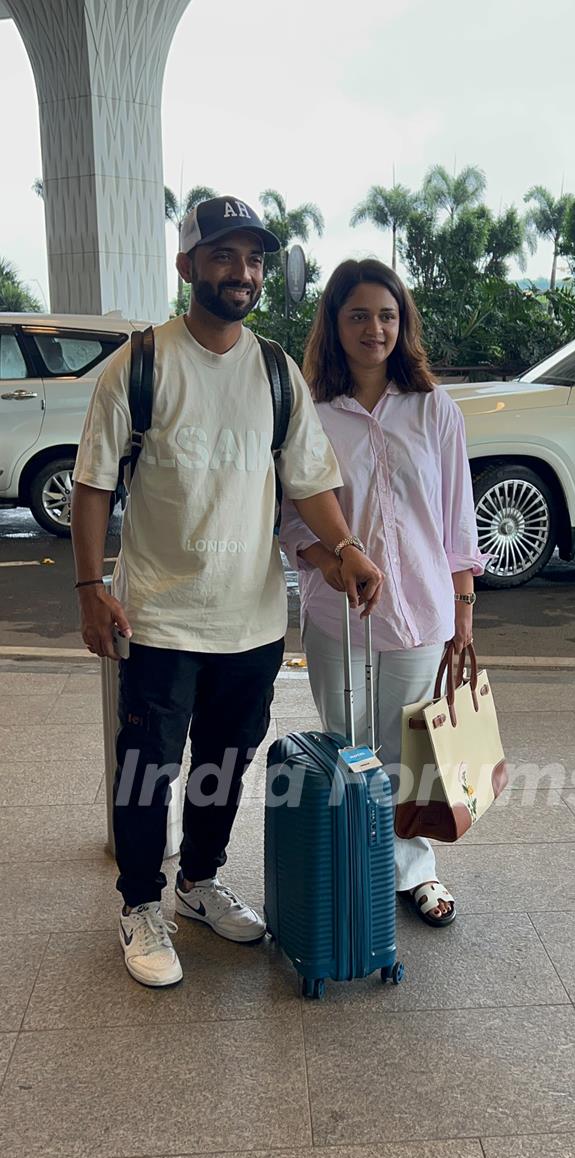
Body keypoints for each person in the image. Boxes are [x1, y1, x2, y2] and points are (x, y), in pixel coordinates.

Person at [71, 198, 383, 987]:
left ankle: (199, 883)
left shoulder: (276, 371)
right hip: (160, 617)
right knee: (148, 771)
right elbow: (93, 486)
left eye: (252, 258)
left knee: (225, 763)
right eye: (223, 256)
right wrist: (88, 586)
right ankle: (140, 902)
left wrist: (344, 549)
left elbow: (309, 483)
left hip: (250, 619)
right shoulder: (138, 366)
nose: (240, 272)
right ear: (187, 268)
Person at [281, 259, 489, 927]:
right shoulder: (310, 415)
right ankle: (353, 865)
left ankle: (414, 871)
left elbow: (459, 522)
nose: (375, 329)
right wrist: (327, 559)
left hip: (423, 612)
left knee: (409, 752)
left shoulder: (435, 410)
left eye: (387, 316)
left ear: (404, 325)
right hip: (337, 614)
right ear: (335, 325)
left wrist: (462, 613)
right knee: (349, 747)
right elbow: (291, 523)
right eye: (359, 315)